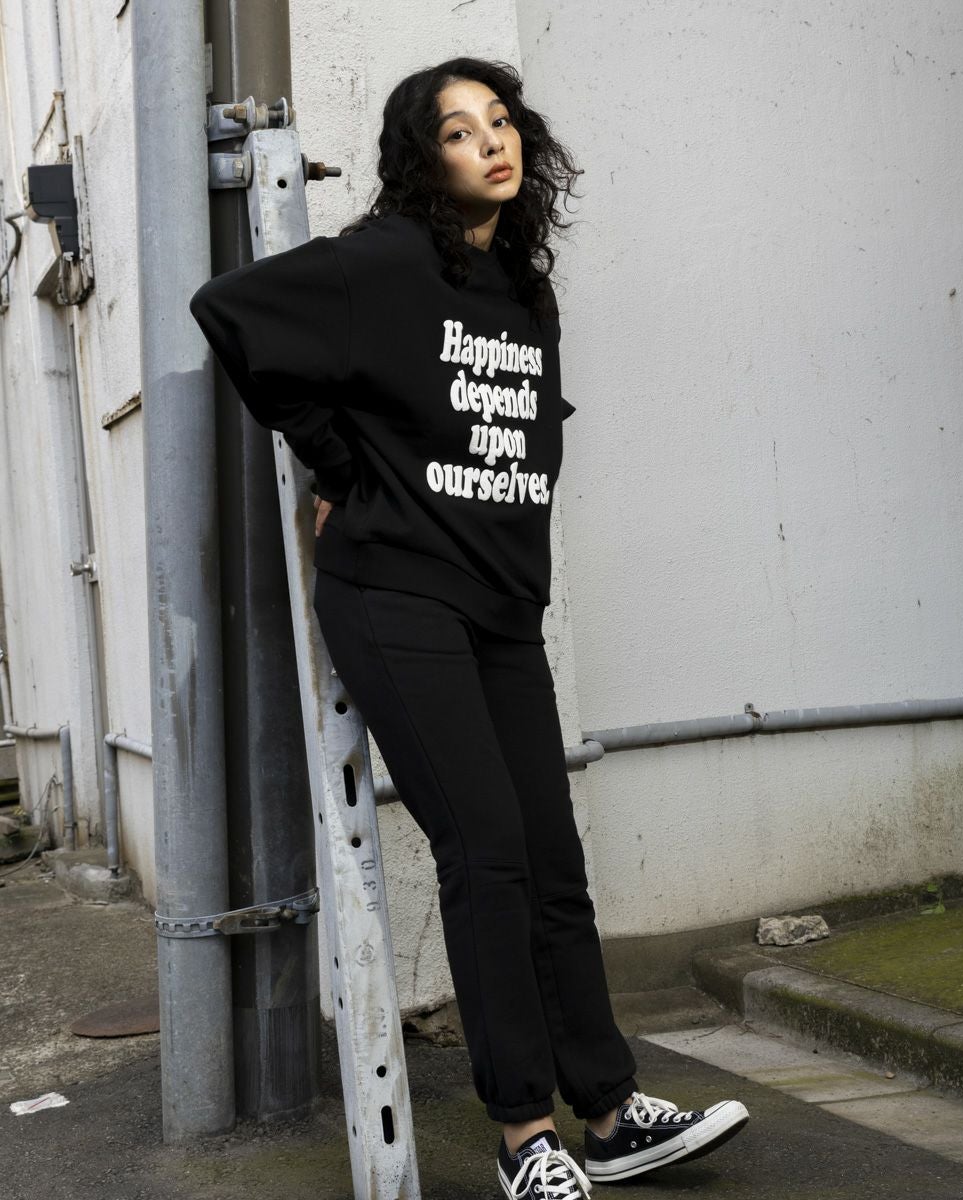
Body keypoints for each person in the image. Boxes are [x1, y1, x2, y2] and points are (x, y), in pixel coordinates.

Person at [189, 55, 749, 1200]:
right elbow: (231, 310)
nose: (491, 142)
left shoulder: (521, 291)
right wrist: (335, 464)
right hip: (396, 593)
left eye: (500, 121)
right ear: (422, 156)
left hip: (498, 602)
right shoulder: (387, 261)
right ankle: (523, 1139)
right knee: (488, 854)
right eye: (458, 131)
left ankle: (608, 1114)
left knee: (551, 861)